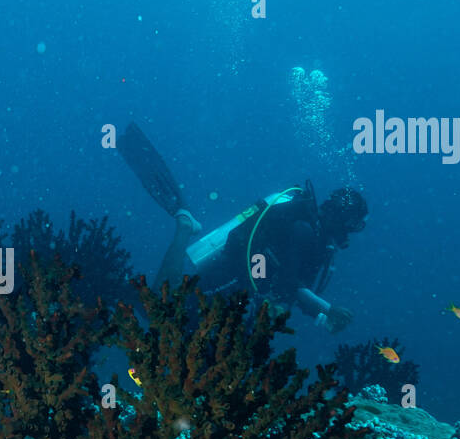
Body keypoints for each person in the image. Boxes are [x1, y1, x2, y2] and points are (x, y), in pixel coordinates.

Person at [118, 121, 366, 333]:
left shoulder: (319, 240)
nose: (353, 231)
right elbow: (285, 276)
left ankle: (121, 291)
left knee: (177, 320)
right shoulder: (305, 231)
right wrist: (326, 308)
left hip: (244, 288)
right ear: (342, 217)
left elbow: (293, 288)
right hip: (235, 276)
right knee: (165, 312)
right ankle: (182, 229)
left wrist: (321, 315)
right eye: (354, 223)